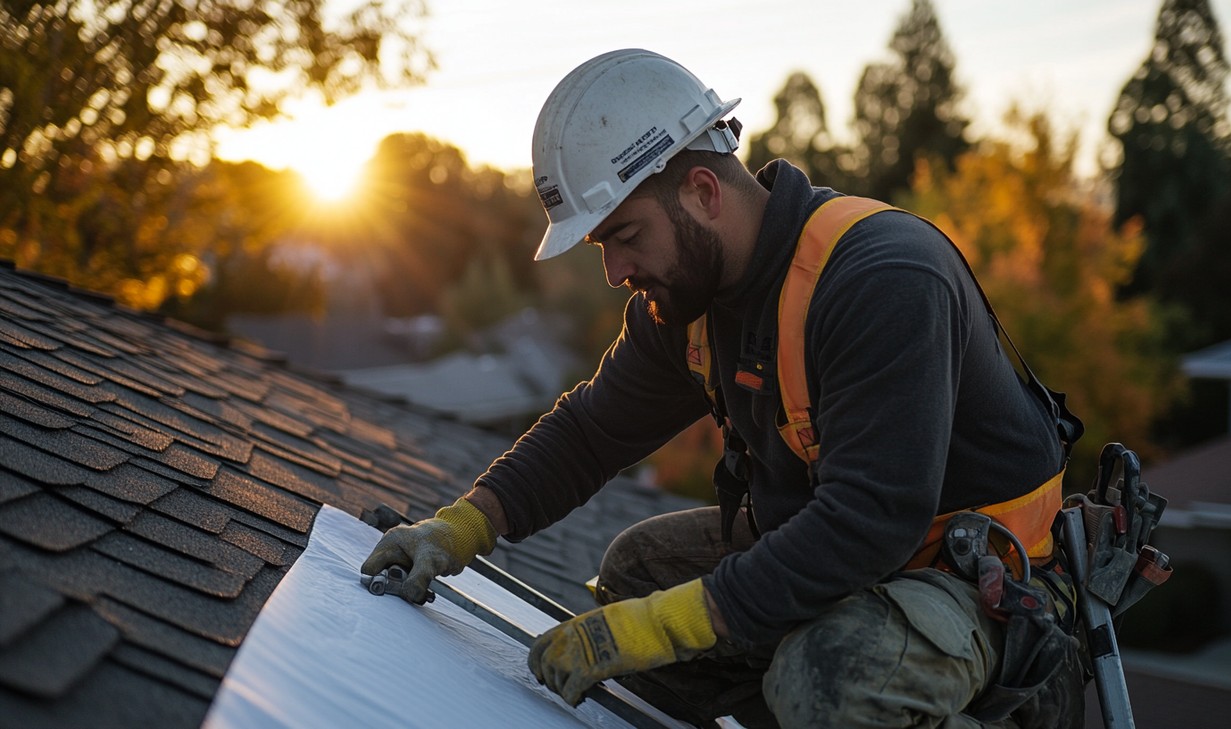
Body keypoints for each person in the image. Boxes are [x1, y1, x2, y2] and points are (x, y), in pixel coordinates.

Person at [361, 49, 1083, 728]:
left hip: (977, 574)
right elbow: (589, 433)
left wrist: (658, 629)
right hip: (855, 552)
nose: (615, 270)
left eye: (626, 235)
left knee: (826, 681)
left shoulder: (883, 279)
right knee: (637, 573)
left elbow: (872, 518)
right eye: (601, 245)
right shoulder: (687, 299)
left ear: (703, 192)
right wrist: (461, 527)